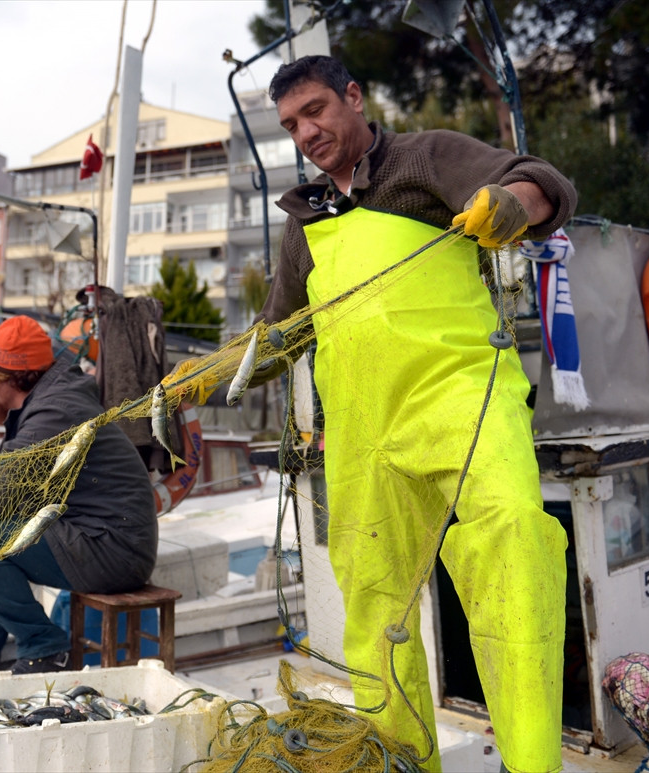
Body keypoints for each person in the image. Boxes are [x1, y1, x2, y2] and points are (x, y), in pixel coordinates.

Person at [248, 56, 575, 772]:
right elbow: (277, 332)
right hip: (362, 433)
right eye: (291, 125)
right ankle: (403, 760)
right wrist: (205, 377)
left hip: (462, 395)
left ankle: (531, 762)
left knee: (515, 539)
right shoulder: (303, 224)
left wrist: (514, 202)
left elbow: (541, 180)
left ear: (354, 96)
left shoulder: (424, 157)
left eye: (315, 111)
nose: (306, 133)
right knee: (374, 602)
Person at [0, 315, 157, 675]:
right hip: (106, 540)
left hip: (112, 551)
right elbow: (7, 483)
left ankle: (44, 649)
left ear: (5, 378)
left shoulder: (54, 411)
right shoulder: (53, 400)